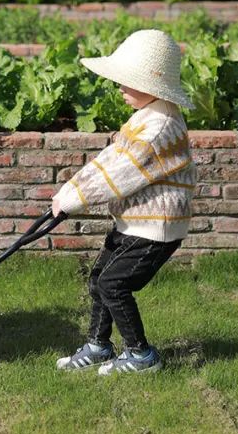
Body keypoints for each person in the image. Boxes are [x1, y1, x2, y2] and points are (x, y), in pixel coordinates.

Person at [50, 29, 198, 375]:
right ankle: (99, 346)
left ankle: (141, 354)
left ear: (153, 85)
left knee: (113, 284)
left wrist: (73, 201)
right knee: (99, 278)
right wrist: (67, 191)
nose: (120, 88)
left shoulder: (159, 128)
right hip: (133, 223)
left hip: (155, 229)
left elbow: (120, 176)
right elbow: (110, 159)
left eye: (128, 82)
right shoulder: (145, 117)